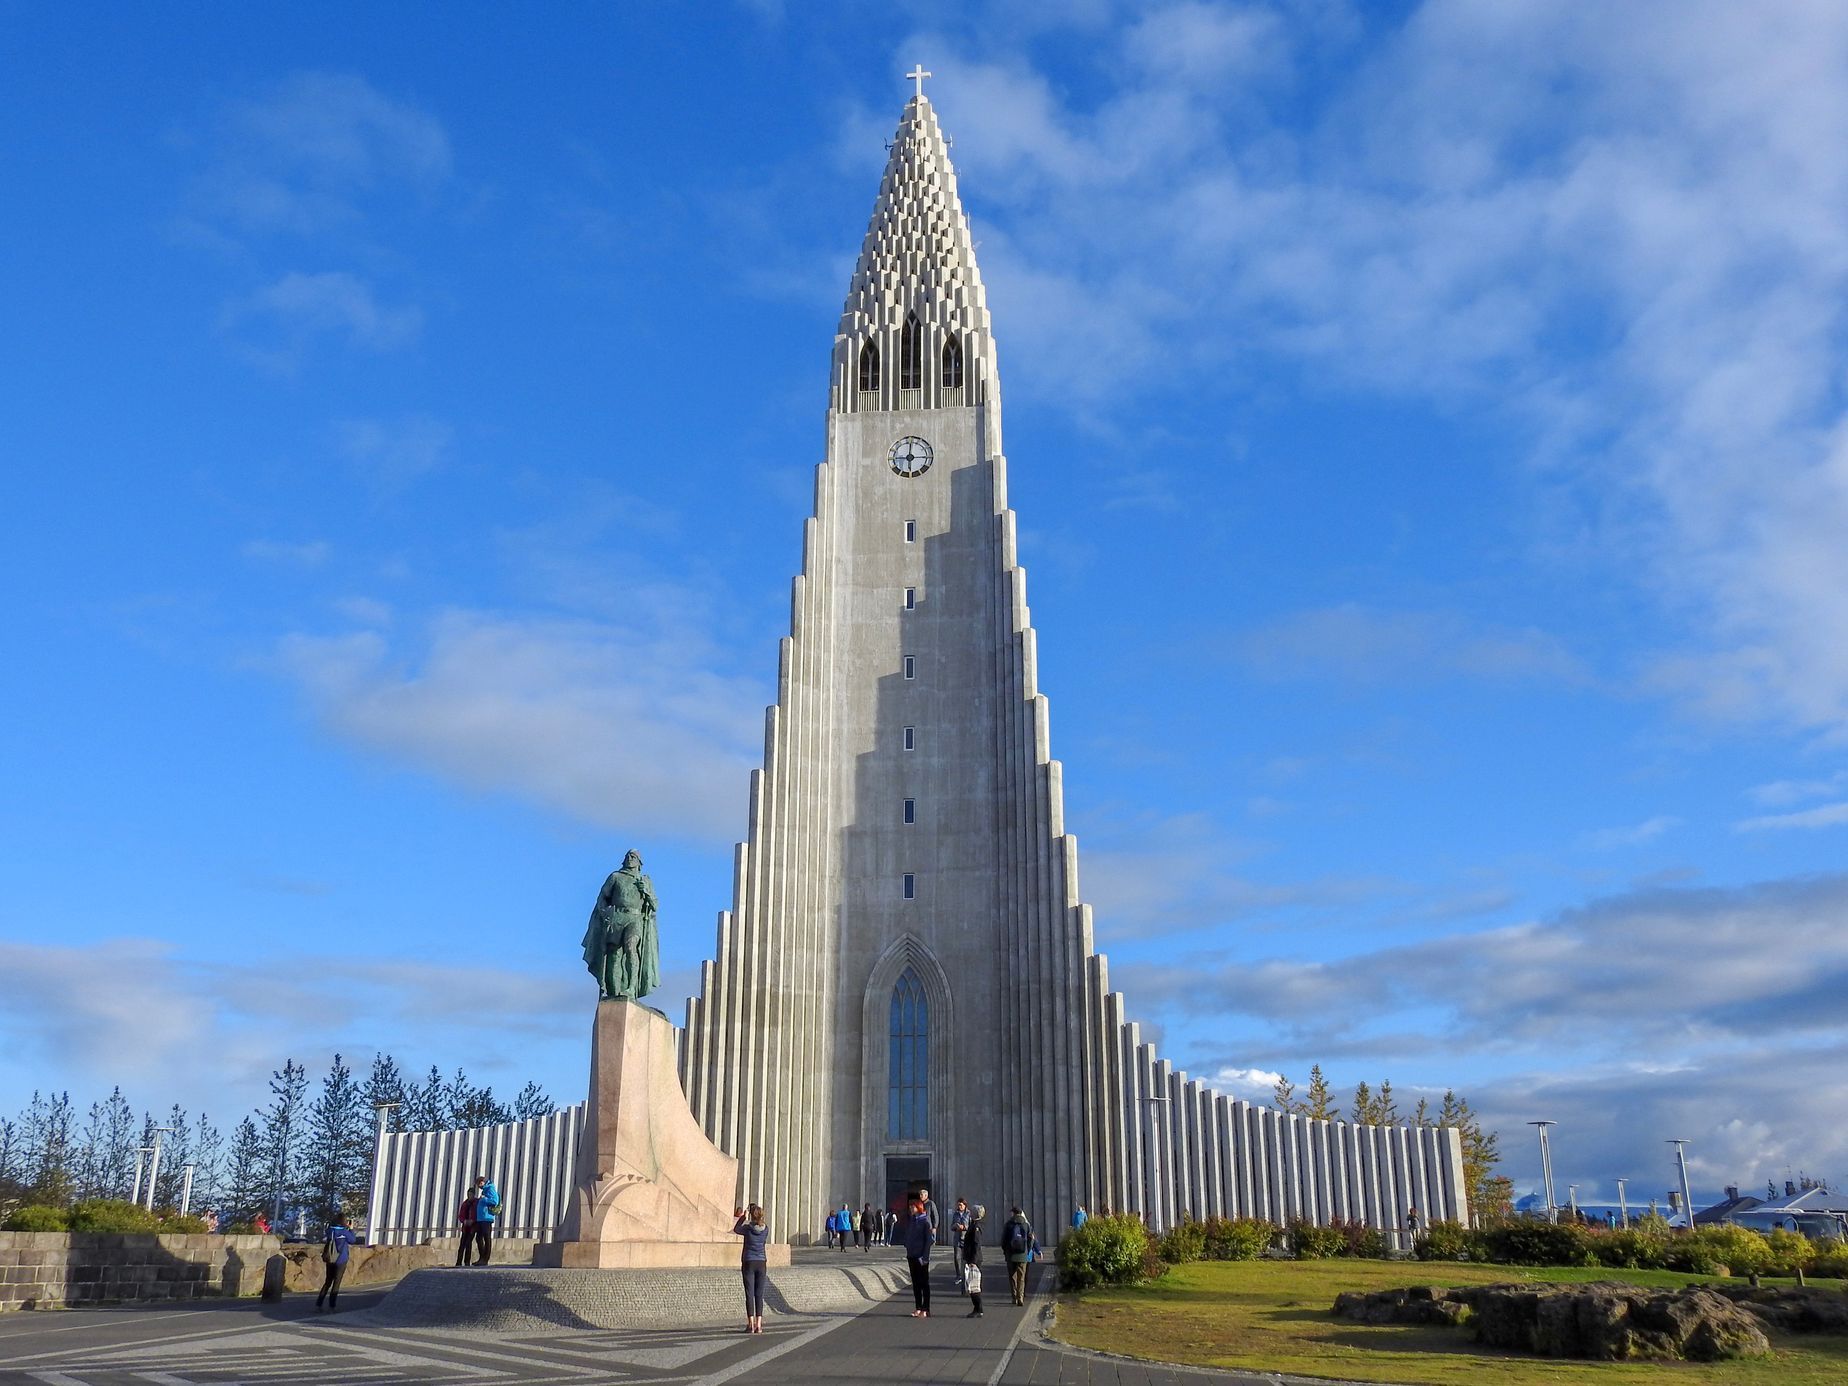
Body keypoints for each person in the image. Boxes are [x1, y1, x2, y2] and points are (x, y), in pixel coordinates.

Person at [732, 1202, 771, 1334]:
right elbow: (759, 1226)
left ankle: (750, 1324)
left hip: (749, 1261)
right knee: (759, 1294)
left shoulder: (748, 1229)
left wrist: (743, 1216)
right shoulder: (766, 1229)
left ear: (752, 1216)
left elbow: (736, 1229)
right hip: (761, 1262)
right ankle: (759, 1325)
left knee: (749, 1294)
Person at [316, 1211, 358, 1311]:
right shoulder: (344, 1232)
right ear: (344, 1221)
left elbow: (326, 1234)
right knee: (336, 1282)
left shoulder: (330, 1231)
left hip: (330, 1258)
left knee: (328, 1281)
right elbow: (352, 1240)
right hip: (341, 1259)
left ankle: (319, 1303)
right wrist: (351, 1229)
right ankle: (332, 1305)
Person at [902, 1196, 933, 1317]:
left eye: (913, 1206)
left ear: (918, 1207)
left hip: (921, 1257)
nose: (910, 1208)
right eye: (910, 1206)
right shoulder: (911, 1221)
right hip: (911, 1255)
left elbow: (929, 1240)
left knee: (924, 1283)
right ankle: (918, 1307)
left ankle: (926, 1309)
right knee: (915, 1283)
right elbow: (908, 1235)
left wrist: (925, 1256)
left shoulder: (925, 1221)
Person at [1001, 1205, 1035, 1307]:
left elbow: (1003, 1240)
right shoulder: (1026, 1225)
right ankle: (1020, 1297)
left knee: (1012, 1276)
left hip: (1010, 1255)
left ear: (1013, 1213)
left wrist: (1006, 1251)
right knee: (1021, 1277)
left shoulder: (1008, 1224)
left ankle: (1014, 1297)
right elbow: (1031, 1239)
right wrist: (1027, 1250)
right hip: (1022, 1254)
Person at [469, 1173, 501, 1265]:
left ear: (482, 1182)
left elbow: (495, 1201)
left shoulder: (490, 1188)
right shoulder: (485, 1190)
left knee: (486, 1238)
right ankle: (482, 1258)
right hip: (481, 1218)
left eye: (479, 1185)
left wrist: (484, 1199)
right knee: (478, 1238)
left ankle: (485, 1259)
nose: (479, 1187)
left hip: (487, 1218)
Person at [962, 1203, 986, 1318]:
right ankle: (977, 1308)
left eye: (971, 1211)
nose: (969, 1213)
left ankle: (978, 1308)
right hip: (971, 1257)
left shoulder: (976, 1226)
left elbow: (976, 1244)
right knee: (971, 1284)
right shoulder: (973, 1224)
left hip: (974, 1259)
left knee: (974, 1284)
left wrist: (973, 1260)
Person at [454, 1188, 479, 1266]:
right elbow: (461, 1215)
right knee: (462, 1244)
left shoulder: (476, 1203)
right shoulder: (465, 1203)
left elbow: (477, 1214)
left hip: (472, 1226)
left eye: (471, 1194)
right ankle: (459, 1261)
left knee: (468, 1243)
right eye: (468, 1194)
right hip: (465, 1227)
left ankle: (467, 1261)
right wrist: (464, 1221)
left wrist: (473, 1220)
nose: (469, 1196)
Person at [950, 1198, 971, 1281]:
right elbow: (951, 1226)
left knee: (966, 1258)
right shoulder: (956, 1214)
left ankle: (967, 1274)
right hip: (957, 1239)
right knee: (957, 1257)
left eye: (961, 1205)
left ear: (965, 1205)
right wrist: (955, 1226)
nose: (959, 1206)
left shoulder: (969, 1214)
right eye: (958, 1205)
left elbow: (971, 1226)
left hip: (966, 1239)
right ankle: (958, 1275)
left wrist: (964, 1227)